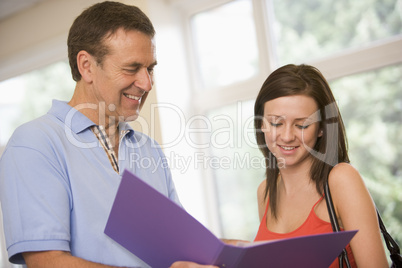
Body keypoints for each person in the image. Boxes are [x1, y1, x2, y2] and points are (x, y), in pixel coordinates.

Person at [0, 1, 216, 267]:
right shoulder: (35, 144)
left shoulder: (148, 149)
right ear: (87, 66)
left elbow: (181, 248)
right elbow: (48, 262)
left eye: (150, 69)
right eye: (131, 68)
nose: (146, 83)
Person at [253, 64, 388, 267]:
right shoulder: (265, 193)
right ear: (262, 124)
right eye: (276, 123)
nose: (287, 136)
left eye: (302, 125)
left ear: (321, 128)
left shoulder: (342, 180)